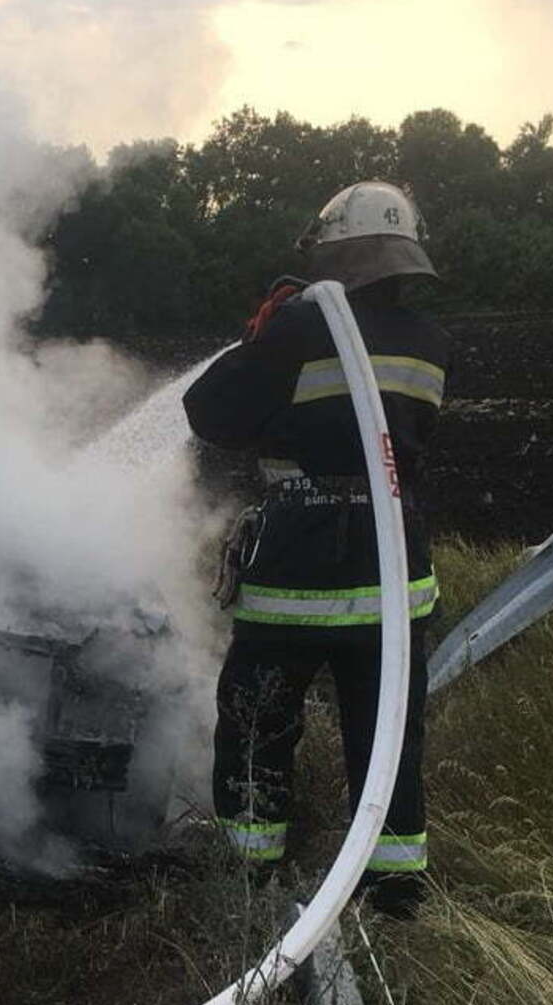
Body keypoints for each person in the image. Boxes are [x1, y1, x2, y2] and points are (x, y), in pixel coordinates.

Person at [181, 180, 449, 917]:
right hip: (394, 560)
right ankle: (395, 892)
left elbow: (209, 414)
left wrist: (262, 337)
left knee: (259, 717)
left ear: (334, 252)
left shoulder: (301, 330)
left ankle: (248, 876)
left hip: (303, 554)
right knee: (388, 730)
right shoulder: (432, 343)